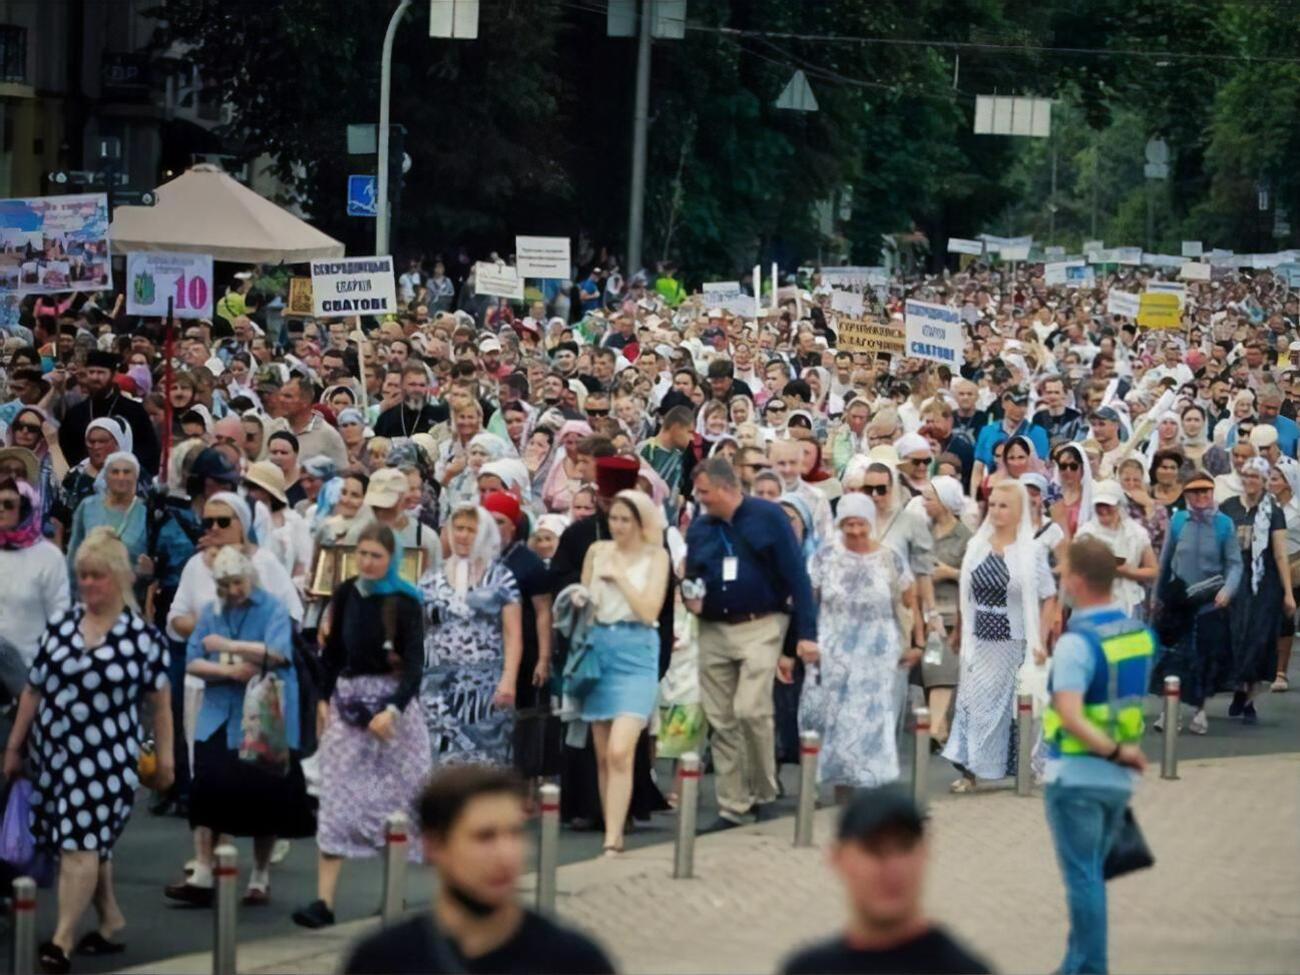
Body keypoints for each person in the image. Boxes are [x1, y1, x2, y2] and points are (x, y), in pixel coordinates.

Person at [4, 527, 173, 973]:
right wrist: (15, 748)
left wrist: (168, 760)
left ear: (118, 577)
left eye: (96, 575)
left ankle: (61, 939)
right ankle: (110, 918)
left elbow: (160, 703)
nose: (88, 584)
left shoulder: (141, 639)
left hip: (108, 761)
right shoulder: (61, 628)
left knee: (80, 843)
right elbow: (33, 691)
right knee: (81, 843)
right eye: (82, 575)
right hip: (54, 756)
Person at [341, 766, 615, 974]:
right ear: (435, 845)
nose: (505, 855)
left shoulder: (572, 961)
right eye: (484, 837)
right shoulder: (384, 960)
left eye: (515, 834)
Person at [293, 523, 431, 930]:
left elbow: (414, 666)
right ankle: (324, 901)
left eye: (376, 556)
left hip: (391, 711)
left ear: (391, 558)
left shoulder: (406, 602)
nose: (368, 563)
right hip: (349, 702)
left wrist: (393, 708)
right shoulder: (347, 592)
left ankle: (393, 894)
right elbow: (332, 653)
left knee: (396, 803)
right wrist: (322, 697)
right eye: (363, 554)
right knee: (336, 799)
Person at [169, 547, 315, 909]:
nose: (233, 590)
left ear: (249, 577)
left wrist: (230, 647)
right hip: (218, 711)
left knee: (263, 794)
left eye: (237, 582)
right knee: (206, 789)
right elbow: (193, 659)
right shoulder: (212, 612)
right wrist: (227, 670)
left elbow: (278, 653)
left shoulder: (272, 608)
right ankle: (203, 871)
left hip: (263, 713)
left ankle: (260, 875)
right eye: (225, 584)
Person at [1041, 537, 1154, 975]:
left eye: (1063, 572)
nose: (1060, 580)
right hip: (1115, 784)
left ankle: (1091, 968)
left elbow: (1069, 715)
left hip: (1077, 775)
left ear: (1078, 580)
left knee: (1083, 880)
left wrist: (1114, 752)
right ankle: (1074, 965)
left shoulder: (1076, 643)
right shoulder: (1139, 635)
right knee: (1093, 877)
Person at [685, 456, 816, 828]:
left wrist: (806, 634)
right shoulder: (699, 528)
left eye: (706, 492)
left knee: (749, 709)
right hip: (712, 626)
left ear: (728, 488)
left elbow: (797, 576)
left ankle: (762, 785)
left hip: (762, 623)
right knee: (722, 719)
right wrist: (689, 593)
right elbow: (692, 572)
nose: (701, 499)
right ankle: (734, 804)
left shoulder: (768, 517)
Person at [780, 786, 991, 975]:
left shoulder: (962, 969)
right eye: (874, 850)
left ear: (925, 854)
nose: (892, 868)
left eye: (904, 847)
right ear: (838, 858)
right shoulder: (809, 968)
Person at [800, 494, 918, 797]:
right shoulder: (824, 557)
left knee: (870, 724)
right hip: (833, 652)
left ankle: (870, 792)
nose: (854, 531)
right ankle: (841, 790)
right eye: (848, 524)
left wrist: (915, 642)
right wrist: (806, 640)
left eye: (860, 524)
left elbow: (908, 600)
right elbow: (807, 602)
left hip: (877, 654)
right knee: (832, 722)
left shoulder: (889, 558)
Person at [573, 488, 670, 855]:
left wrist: (621, 580)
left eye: (625, 519)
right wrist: (579, 601)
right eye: (613, 518)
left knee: (620, 750)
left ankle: (615, 833)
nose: (617, 526)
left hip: (637, 650)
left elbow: (649, 611)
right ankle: (611, 835)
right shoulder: (597, 552)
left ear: (641, 522)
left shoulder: (656, 556)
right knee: (602, 753)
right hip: (599, 648)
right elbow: (583, 599)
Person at [944, 480, 1057, 791]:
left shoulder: (1031, 553)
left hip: (1015, 641)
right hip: (978, 640)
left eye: (1003, 505)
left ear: (1019, 511)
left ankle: (1023, 765)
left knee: (1010, 709)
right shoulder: (976, 547)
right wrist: (958, 628)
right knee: (971, 703)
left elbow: (1050, 596)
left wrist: (1041, 640)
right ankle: (969, 771)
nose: (995, 511)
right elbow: (965, 592)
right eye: (991, 505)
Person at [420, 503, 522, 766]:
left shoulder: (502, 578)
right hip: (437, 684)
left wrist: (509, 679)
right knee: (438, 756)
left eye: (471, 530)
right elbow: (418, 627)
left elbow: (513, 634)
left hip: (485, 685)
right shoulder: (431, 577)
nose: (464, 535)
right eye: (459, 528)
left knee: (487, 757)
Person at [1150, 471, 1241, 736]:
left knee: (1204, 658)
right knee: (1174, 659)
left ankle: (1200, 710)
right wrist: (1157, 596)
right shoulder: (1178, 520)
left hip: (1210, 601)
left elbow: (1234, 564)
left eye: (1206, 492)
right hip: (1179, 600)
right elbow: (1165, 561)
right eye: (1196, 492)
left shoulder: (1224, 524)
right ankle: (1170, 710)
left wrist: (1228, 590)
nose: (1202, 497)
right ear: (1187, 495)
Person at [1219, 457, 1293, 725]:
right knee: (1236, 635)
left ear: (1263, 481)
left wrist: (1288, 593)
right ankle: (1239, 688)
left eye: (1256, 477)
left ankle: (1249, 697)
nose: (1250, 480)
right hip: (1235, 578)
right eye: (1247, 475)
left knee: (1259, 639)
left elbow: (1280, 553)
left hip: (1264, 582)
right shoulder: (1228, 508)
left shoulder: (1273, 511)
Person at [920, 475, 972, 747]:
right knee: (931, 665)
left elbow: (978, 576)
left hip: (952, 612)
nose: (924, 503)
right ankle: (938, 725)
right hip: (921, 610)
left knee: (939, 665)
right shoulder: (921, 530)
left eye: (930, 498)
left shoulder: (966, 536)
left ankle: (935, 726)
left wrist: (948, 572)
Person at [0, 477, 69, 668]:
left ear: (26, 507)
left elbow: (60, 614)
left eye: (8, 504)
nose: (1, 509)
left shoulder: (49, 557)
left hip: (32, 664)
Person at [58, 349, 160, 476]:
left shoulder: (134, 410)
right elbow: (68, 449)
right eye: (91, 372)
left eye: (101, 373)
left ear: (113, 375)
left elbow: (148, 451)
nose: (95, 377)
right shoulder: (75, 413)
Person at [65, 451, 146, 595]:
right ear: (106, 476)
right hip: (89, 594)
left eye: (127, 472)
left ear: (136, 476)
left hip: (131, 596)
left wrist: (148, 571)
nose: (121, 477)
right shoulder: (88, 506)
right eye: (115, 472)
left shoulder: (147, 512)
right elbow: (74, 555)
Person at [1074, 480, 1158, 620]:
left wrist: (1129, 572)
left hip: (1128, 603)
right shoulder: (1085, 534)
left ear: (1119, 505)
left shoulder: (1136, 533)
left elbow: (1153, 570)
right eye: (1099, 505)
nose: (1103, 509)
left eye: (1108, 505)